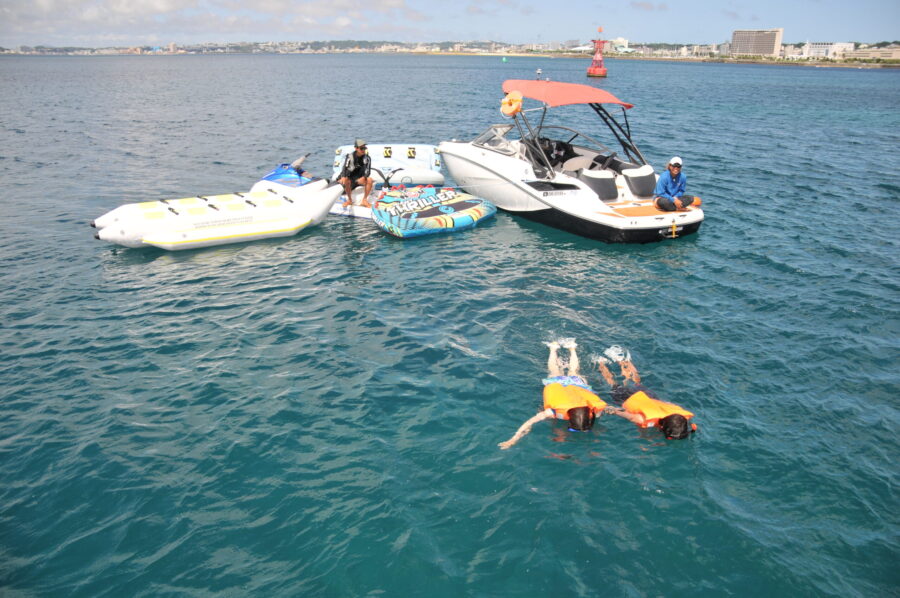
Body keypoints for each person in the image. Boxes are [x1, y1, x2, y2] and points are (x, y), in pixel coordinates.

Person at [498, 340, 608, 450]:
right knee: (555, 371)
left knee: (573, 371)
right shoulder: (552, 412)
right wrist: (513, 439)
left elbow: (528, 424)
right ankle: (554, 349)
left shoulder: (595, 411)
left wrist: (514, 439)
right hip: (557, 383)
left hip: (576, 383)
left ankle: (571, 348)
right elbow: (529, 423)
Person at [595, 346, 698, 440]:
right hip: (629, 399)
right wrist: (613, 410)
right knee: (613, 384)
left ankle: (623, 360)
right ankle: (600, 362)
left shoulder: (681, 416)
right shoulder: (642, 420)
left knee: (637, 382)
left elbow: (670, 405)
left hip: (649, 396)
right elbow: (630, 416)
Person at [338, 139, 374, 207]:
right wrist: (343, 177)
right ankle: (349, 200)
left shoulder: (367, 158)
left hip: (358, 179)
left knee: (370, 180)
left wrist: (364, 177)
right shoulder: (350, 157)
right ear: (356, 148)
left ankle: (364, 200)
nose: (363, 150)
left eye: (364, 148)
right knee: (346, 180)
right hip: (349, 179)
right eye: (361, 148)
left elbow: (368, 171)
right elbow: (344, 168)